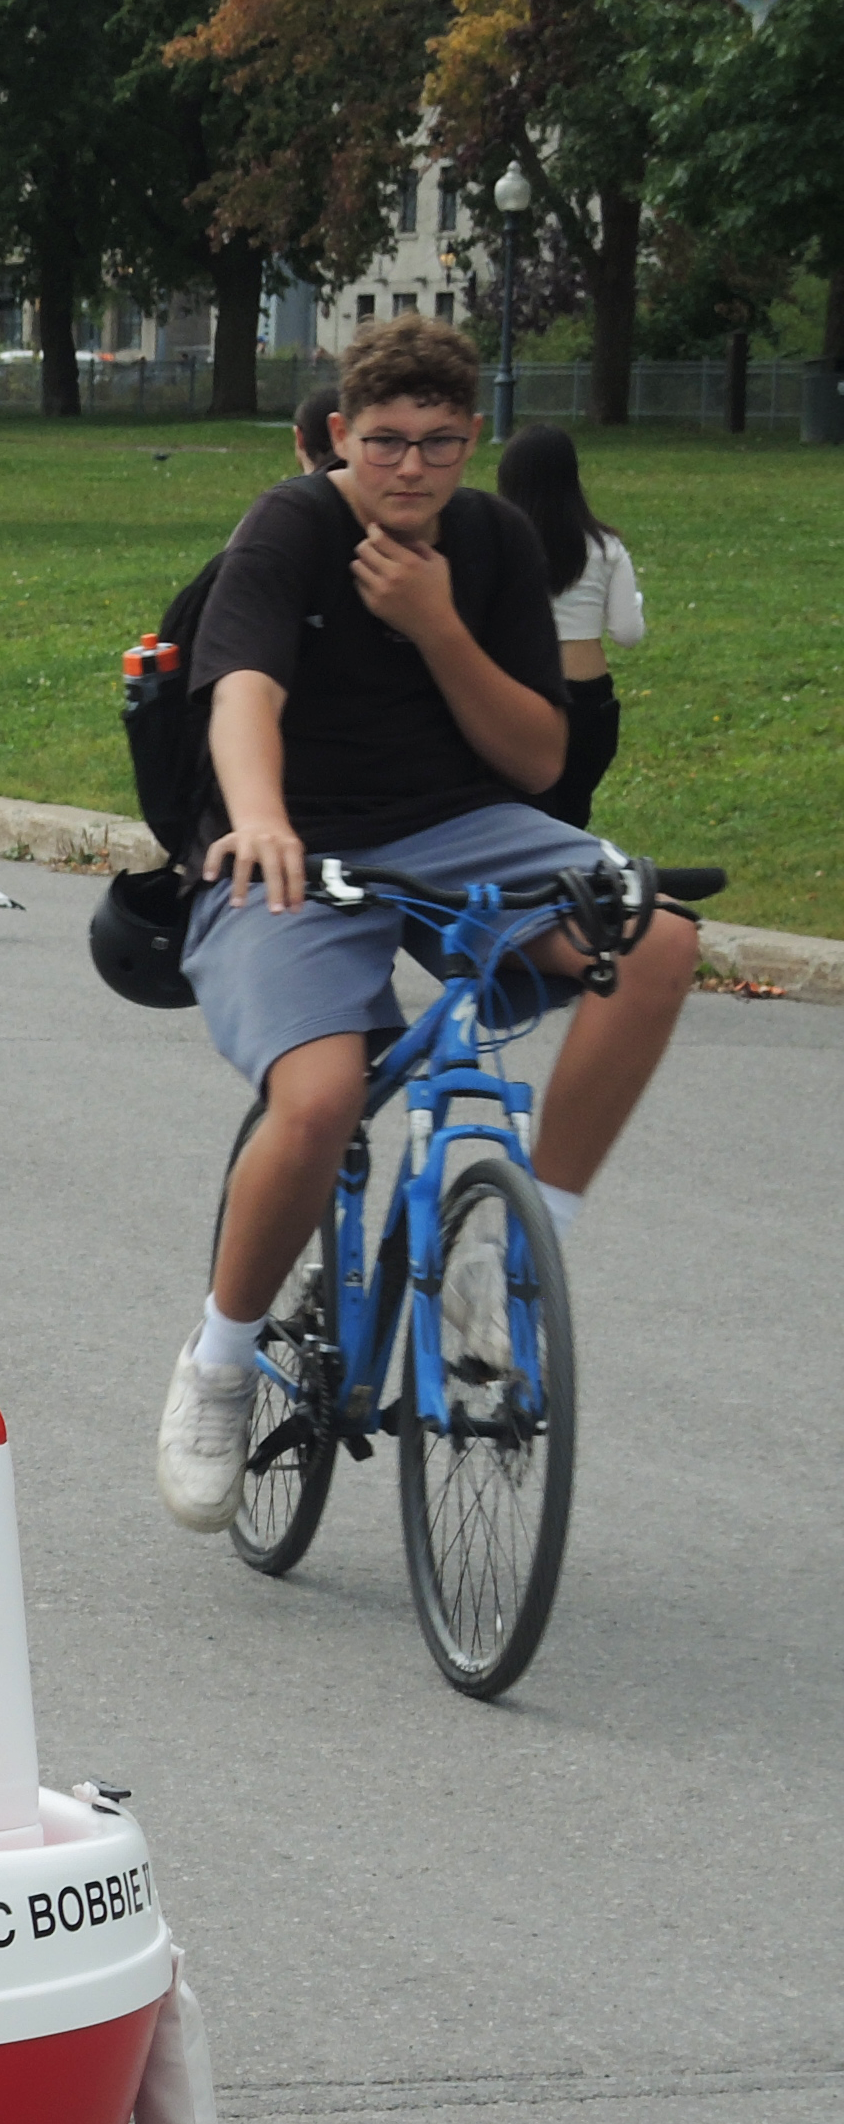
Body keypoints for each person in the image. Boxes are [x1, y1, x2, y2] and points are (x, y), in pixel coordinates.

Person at [152, 317, 696, 1532]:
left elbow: (539, 757)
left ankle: (503, 1279)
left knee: (653, 938)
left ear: (470, 442)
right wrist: (257, 818)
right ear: (339, 435)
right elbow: (238, 688)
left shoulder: (493, 542)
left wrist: (437, 623)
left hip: (459, 831)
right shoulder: (290, 525)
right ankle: (220, 1362)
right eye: (385, 441)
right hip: (288, 831)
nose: (410, 468)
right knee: (320, 1096)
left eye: (439, 444)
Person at [494, 424, 640, 833]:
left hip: (516, 689)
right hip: (589, 700)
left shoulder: (500, 543)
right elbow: (628, 632)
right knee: (572, 815)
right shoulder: (606, 548)